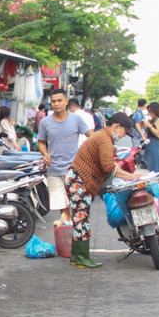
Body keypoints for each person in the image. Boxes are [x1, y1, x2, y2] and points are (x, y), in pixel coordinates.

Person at [64, 112, 148, 268]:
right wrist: (132, 177)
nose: (123, 136)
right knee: (82, 219)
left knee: (80, 218)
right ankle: (82, 257)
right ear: (117, 126)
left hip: (77, 178)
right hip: (79, 180)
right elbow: (109, 167)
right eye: (124, 132)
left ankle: (77, 256)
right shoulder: (104, 139)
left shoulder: (103, 137)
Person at [37, 88, 92, 225]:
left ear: (66, 102)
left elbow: (92, 137)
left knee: (77, 205)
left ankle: (76, 235)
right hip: (54, 171)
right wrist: (45, 154)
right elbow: (41, 142)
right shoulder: (45, 122)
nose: (56, 104)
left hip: (74, 170)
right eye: (53, 101)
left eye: (59, 100)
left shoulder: (76, 120)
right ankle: (66, 233)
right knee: (62, 206)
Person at [142, 102, 159, 175]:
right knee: (147, 167)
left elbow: (158, 134)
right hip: (149, 145)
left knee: (154, 168)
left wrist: (149, 125)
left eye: (151, 112)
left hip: (154, 146)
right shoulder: (153, 120)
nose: (150, 114)